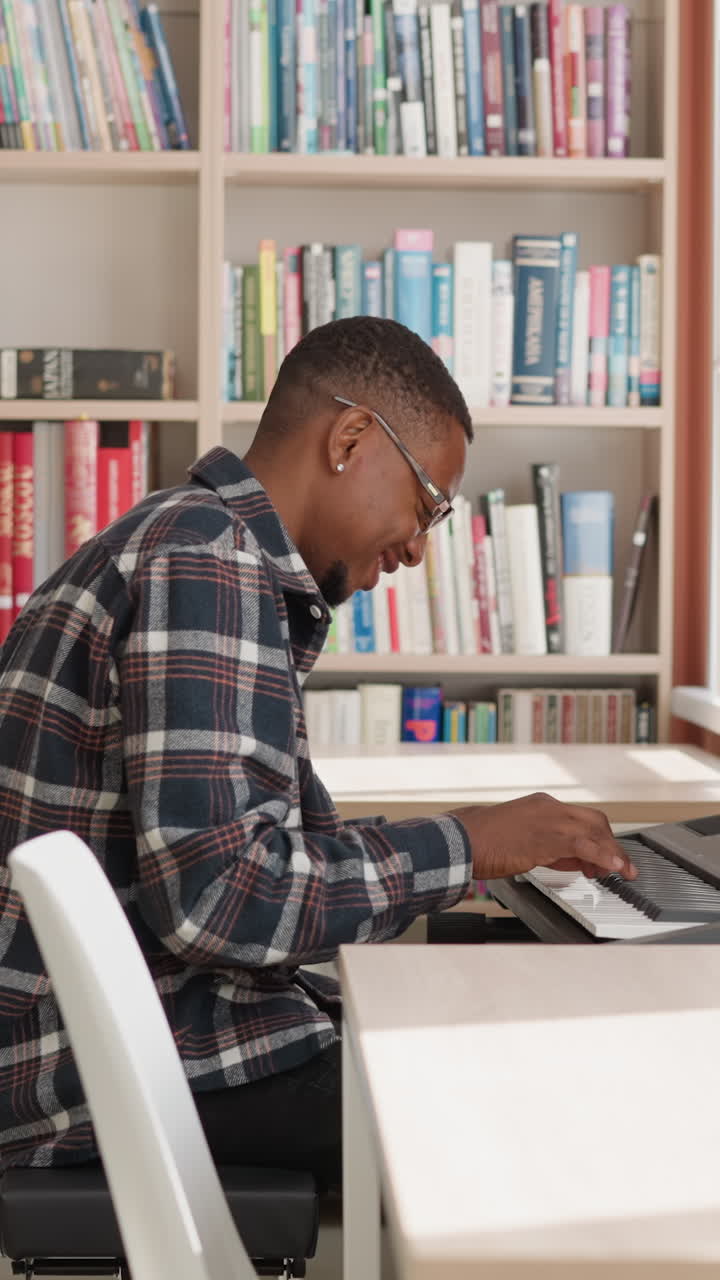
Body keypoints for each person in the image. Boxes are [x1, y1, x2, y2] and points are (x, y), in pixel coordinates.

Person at [0, 316, 636, 1190]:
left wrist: (472, 850)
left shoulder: (205, 547)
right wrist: (468, 843)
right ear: (348, 440)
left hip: (124, 1040)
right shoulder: (206, 562)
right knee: (551, 1118)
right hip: (108, 1071)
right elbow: (220, 900)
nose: (417, 548)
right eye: (427, 507)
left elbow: (258, 858)